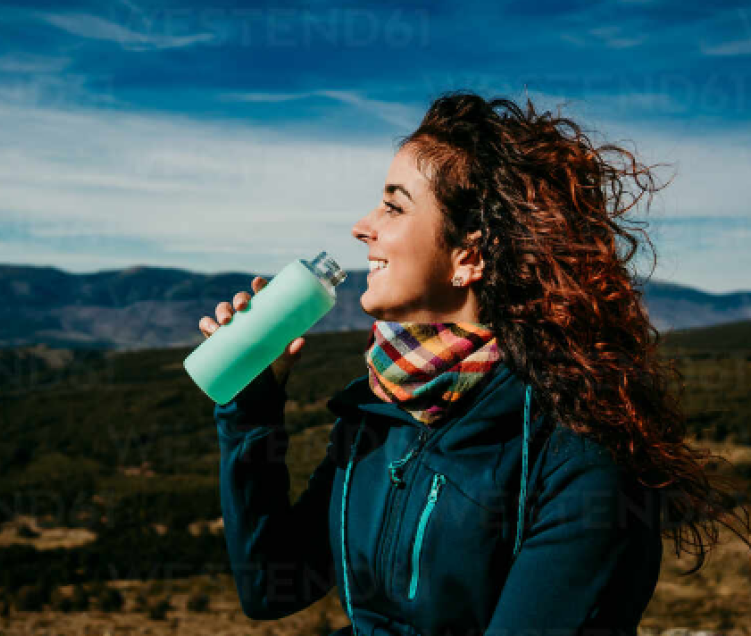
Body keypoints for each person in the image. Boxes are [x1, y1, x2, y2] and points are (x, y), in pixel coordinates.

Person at [198, 91, 751, 636]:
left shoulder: (575, 453)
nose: (362, 226)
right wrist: (252, 407)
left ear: (471, 256)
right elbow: (273, 587)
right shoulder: (377, 408)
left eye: (394, 205)